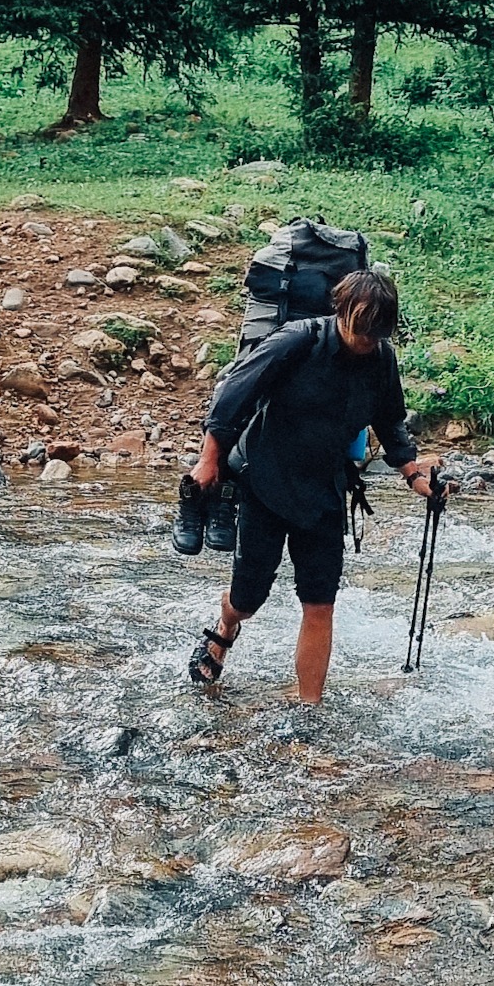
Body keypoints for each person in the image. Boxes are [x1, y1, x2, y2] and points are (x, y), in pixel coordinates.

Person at [185, 268, 440, 705]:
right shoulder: (296, 341)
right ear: (341, 311)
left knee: (320, 603)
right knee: (248, 599)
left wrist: (414, 474)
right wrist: (208, 461)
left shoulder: (381, 358)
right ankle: (226, 626)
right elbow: (232, 396)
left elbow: (390, 419)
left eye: (376, 333)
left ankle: (310, 709)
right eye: (361, 330)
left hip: (324, 492)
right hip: (266, 484)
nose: (366, 341)